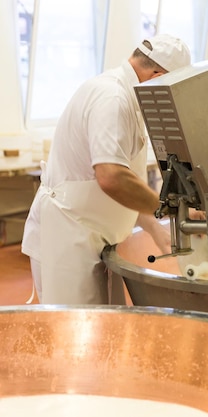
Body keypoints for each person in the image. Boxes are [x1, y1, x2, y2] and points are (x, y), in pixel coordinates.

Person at [22, 34, 192, 304]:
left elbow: (126, 183)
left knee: (103, 329)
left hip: (95, 236)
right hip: (70, 238)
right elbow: (111, 177)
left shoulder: (126, 98)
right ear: (157, 75)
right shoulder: (112, 97)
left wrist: (155, 228)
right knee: (76, 332)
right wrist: (170, 209)